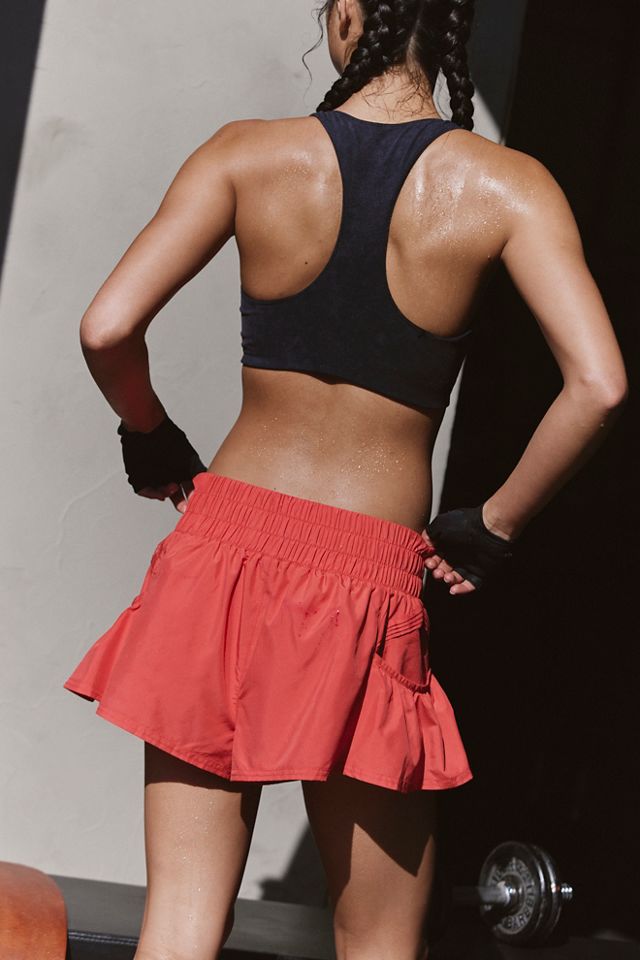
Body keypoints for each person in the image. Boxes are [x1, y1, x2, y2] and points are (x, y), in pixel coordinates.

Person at [62, 1, 628, 958]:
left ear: (351, 17)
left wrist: (150, 435)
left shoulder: (245, 153)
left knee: (180, 921)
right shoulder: (507, 186)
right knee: (377, 941)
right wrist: (493, 525)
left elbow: (107, 327)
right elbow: (600, 386)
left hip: (220, 546)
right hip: (366, 574)